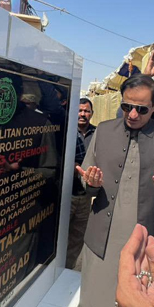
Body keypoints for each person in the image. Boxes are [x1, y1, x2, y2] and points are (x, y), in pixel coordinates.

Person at [77, 74, 154, 307]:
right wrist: (90, 183)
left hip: (148, 240)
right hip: (102, 237)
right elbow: (85, 177)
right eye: (127, 107)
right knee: (97, 304)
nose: (133, 115)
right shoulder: (104, 130)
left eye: (141, 109)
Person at [66, 98, 97, 270]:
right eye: (79, 110)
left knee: (78, 237)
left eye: (86, 111)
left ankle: (69, 271)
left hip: (85, 197)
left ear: (92, 113)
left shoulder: (98, 133)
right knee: (61, 235)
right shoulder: (67, 132)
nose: (82, 114)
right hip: (66, 194)